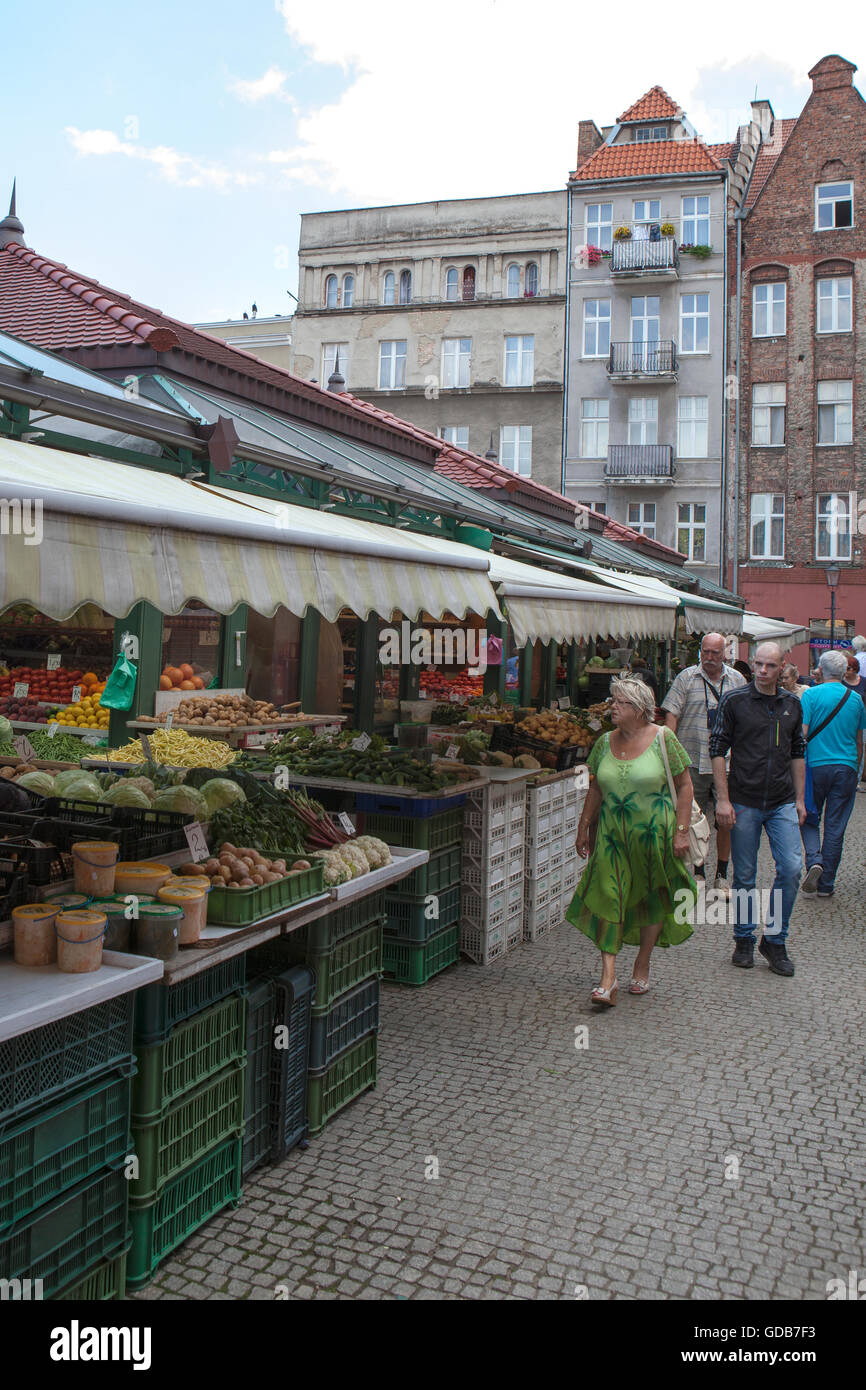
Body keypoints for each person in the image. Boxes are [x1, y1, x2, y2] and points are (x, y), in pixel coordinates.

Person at [568, 676, 695, 1007]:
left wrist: (681, 831)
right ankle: (608, 979)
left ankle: (642, 962)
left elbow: (685, 786)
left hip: (655, 836)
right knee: (609, 895)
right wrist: (584, 826)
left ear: (640, 710)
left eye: (620, 702)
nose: (613, 707)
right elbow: (595, 787)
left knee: (650, 899)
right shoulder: (603, 742)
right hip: (611, 837)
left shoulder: (663, 738)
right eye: (613, 701)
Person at [710, 642, 805, 978]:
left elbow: (797, 751)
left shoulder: (793, 704)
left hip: (781, 801)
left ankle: (775, 939)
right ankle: (744, 939)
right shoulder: (734, 700)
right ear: (752, 665)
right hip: (744, 799)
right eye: (759, 665)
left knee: (792, 868)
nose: (763, 671)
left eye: (770, 666)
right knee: (746, 876)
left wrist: (800, 799)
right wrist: (722, 799)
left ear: (782, 668)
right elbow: (718, 749)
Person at [661, 633, 746, 896]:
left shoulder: (737, 680)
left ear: (725, 653)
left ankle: (722, 874)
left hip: (727, 763)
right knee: (691, 819)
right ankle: (698, 871)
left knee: (726, 821)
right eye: (705, 652)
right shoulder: (686, 677)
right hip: (692, 760)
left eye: (714, 653)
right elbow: (671, 715)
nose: (709, 658)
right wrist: (668, 754)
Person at [799, 649, 866, 897]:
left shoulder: (810, 695)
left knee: (808, 817)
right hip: (846, 766)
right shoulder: (856, 699)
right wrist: (856, 768)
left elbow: (802, 735)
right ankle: (826, 885)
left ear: (821, 669)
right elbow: (859, 739)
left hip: (815, 766)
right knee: (836, 826)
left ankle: (814, 860)